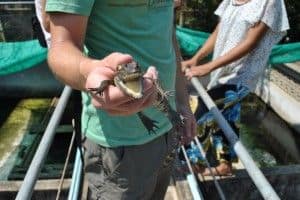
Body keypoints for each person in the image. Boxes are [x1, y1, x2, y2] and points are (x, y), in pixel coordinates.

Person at [45, 0, 196, 199]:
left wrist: (182, 102)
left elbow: (168, 35)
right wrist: (90, 72)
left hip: (167, 129)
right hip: (118, 144)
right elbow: (61, 47)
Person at [182, 0, 289, 175]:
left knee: (204, 109)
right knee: (226, 115)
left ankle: (192, 163)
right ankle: (225, 165)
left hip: (243, 74)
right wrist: (196, 59)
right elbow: (219, 31)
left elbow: (251, 43)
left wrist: (208, 67)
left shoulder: (270, 2)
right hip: (222, 70)